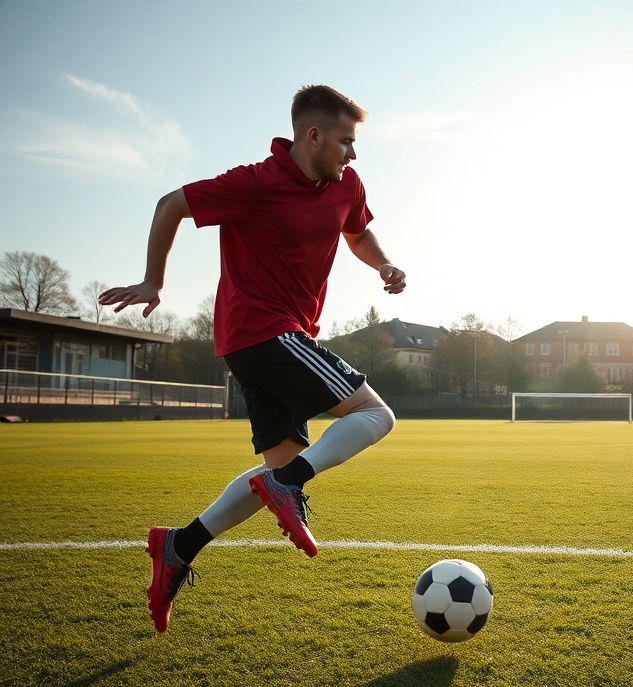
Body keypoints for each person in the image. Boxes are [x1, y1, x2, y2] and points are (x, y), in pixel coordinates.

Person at [99, 85, 407, 633]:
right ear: (313, 136)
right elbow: (171, 203)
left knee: (277, 466)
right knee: (375, 415)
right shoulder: (255, 183)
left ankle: (178, 545)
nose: (353, 154)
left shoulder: (346, 184)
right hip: (261, 331)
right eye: (345, 142)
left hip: (270, 340)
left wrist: (382, 266)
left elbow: (357, 234)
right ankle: (288, 484)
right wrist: (154, 280)